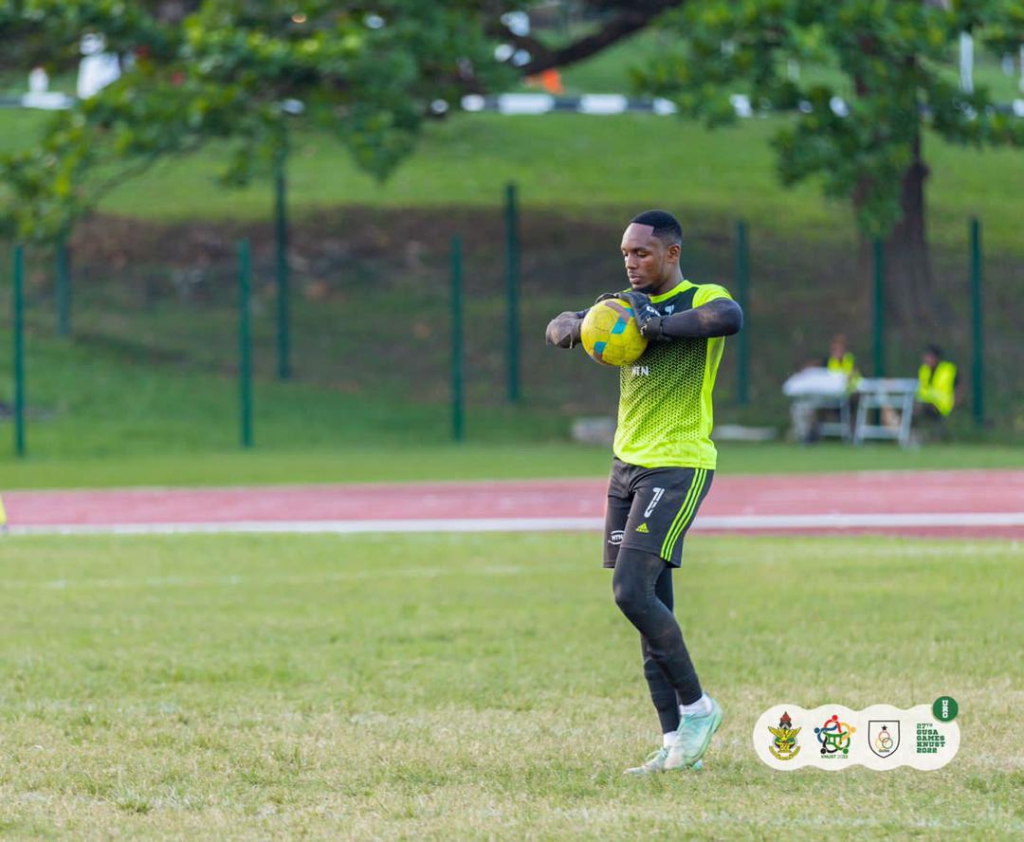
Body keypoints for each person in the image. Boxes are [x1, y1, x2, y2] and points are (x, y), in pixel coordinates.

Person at [545, 210, 743, 774]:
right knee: (650, 605)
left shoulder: (700, 297)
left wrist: (656, 325)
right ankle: (678, 744)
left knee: (631, 591)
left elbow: (729, 317)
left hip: (677, 464)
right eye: (626, 254)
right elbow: (561, 324)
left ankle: (700, 709)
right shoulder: (620, 309)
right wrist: (575, 329)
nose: (632, 263)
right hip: (625, 467)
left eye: (643, 253)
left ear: (672, 253)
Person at [916, 345, 960, 424]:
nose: (926, 359)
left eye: (929, 357)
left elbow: (959, 387)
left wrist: (955, 403)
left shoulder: (948, 369)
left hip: (942, 406)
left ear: (935, 358)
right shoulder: (923, 370)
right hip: (926, 403)